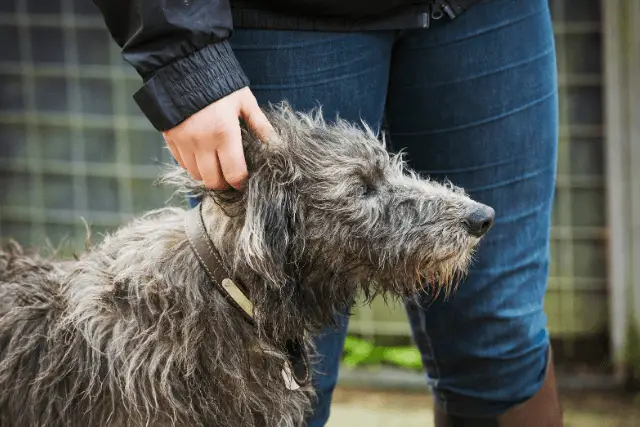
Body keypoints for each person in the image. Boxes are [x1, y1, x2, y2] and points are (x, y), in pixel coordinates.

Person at [92, 0, 563, 425]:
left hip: (487, 12)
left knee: (503, 350)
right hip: (281, 20)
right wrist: (184, 56)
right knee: (264, 373)